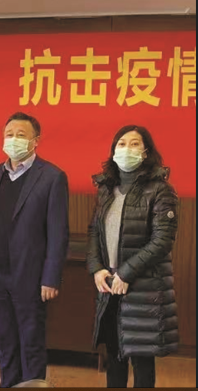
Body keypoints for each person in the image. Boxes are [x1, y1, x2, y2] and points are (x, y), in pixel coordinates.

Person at [0, 112, 69, 388]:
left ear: (36, 141)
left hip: (31, 276)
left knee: (31, 343)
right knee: (6, 342)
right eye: (9, 134)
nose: (14, 139)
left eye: (21, 135)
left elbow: (58, 232)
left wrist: (51, 277)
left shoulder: (52, 177)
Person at [87, 125, 179, 388]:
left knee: (141, 360)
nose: (127, 148)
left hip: (143, 287)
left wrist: (126, 273)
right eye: (121, 143)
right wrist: (97, 268)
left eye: (134, 143)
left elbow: (162, 240)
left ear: (146, 151)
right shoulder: (107, 188)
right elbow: (94, 231)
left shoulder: (160, 190)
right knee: (115, 357)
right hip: (109, 286)